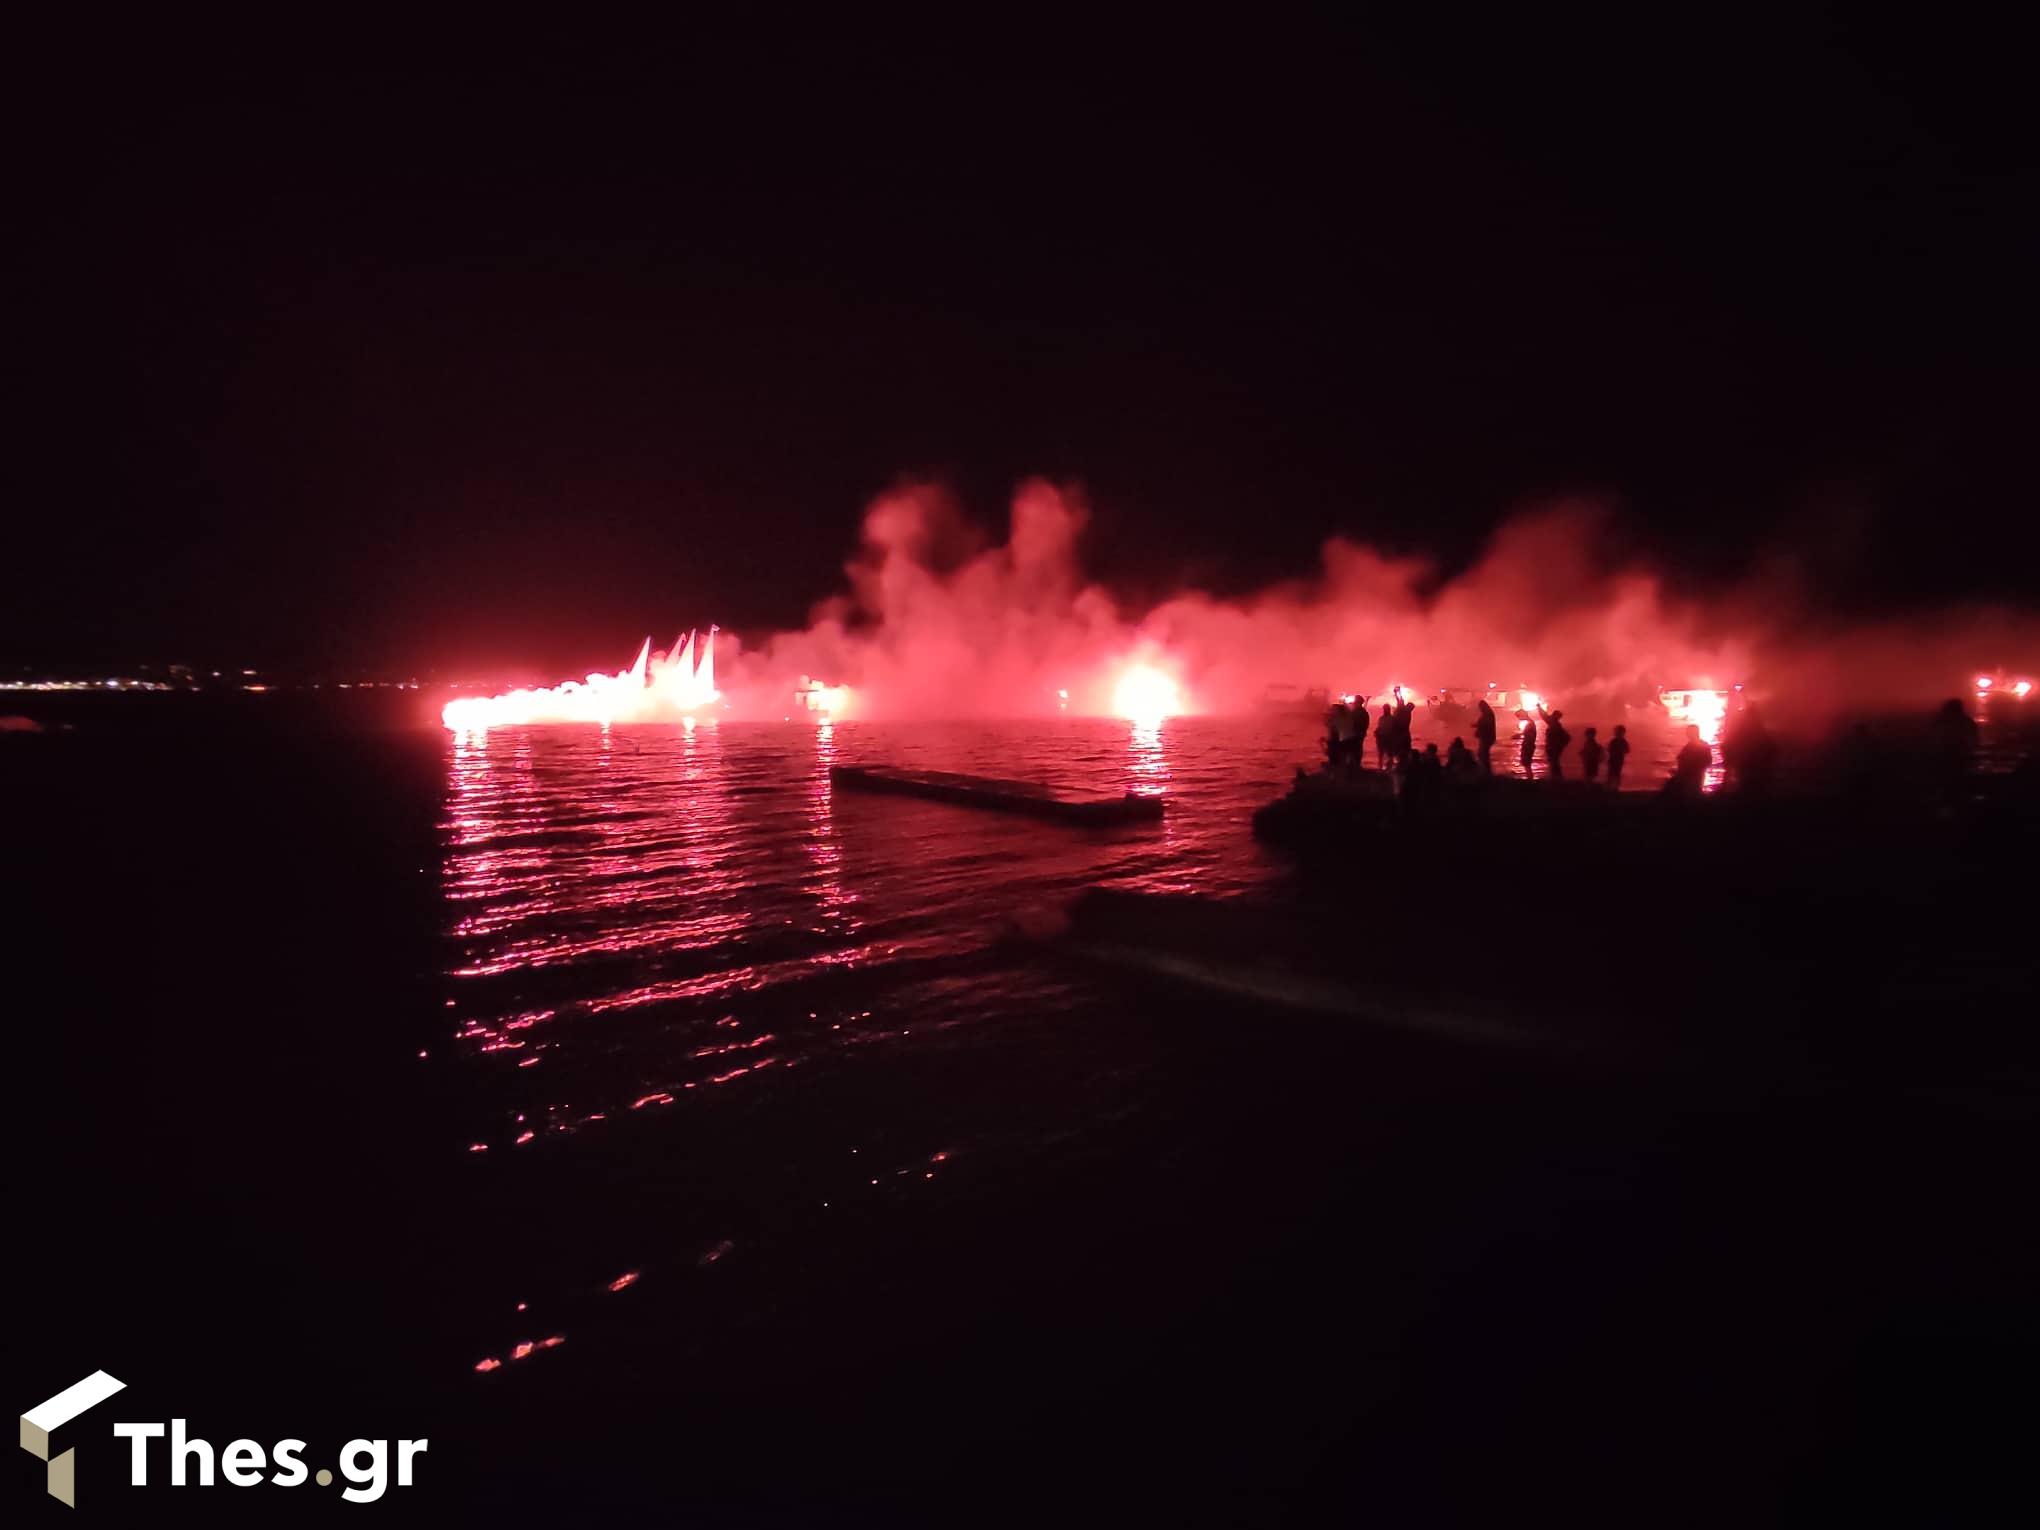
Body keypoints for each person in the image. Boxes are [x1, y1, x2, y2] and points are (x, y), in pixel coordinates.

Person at [1667, 724, 1711, 795]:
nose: (1687, 734)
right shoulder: (1691, 745)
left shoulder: (1699, 746)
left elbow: (1706, 762)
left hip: (1692, 777)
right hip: (1689, 775)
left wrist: (1688, 770)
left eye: (1688, 732)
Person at [1537, 705, 1571, 779]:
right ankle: (1557, 777)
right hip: (1554, 747)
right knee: (1554, 761)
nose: (1551, 716)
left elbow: (1545, 716)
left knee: (1554, 762)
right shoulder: (1555, 724)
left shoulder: (1555, 725)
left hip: (1553, 747)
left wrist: (1539, 707)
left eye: (1553, 715)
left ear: (1555, 716)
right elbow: (1545, 716)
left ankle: (1557, 777)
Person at [1473, 698, 1498, 772]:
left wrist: (1477, 726)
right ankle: (1486, 770)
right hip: (1487, 737)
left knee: (1483, 754)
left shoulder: (1487, 715)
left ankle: (1486, 771)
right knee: (1482, 754)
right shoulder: (1488, 714)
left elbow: (1485, 725)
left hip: (1486, 738)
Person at [1606, 723, 1630, 788]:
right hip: (1614, 760)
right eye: (1617, 732)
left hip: (1618, 760)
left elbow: (1627, 750)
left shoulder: (1621, 741)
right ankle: (1611, 787)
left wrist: (1619, 750)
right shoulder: (1614, 741)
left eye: (1619, 732)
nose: (1617, 733)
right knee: (1612, 774)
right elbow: (1609, 749)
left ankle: (1615, 787)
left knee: (1615, 774)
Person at [1517, 711, 1537, 775]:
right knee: (1526, 763)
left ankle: (1530, 780)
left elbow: (1529, 736)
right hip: (1528, 745)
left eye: (1518, 716)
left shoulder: (1530, 724)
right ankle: (1530, 779)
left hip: (1528, 746)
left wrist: (1518, 736)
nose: (1518, 718)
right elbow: (1528, 734)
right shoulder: (1530, 723)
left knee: (1526, 763)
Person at [1377, 703, 1395, 770]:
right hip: (1382, 738)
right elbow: (1379, 727)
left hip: (1388, 738)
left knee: (1389, 755)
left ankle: (1389, 768)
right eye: (1384, 709)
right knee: (1381, 754)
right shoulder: (1381, 718)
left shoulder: (1392, 719)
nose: (1384, 710)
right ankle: (1380, 768)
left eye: (1386, 709)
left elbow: (1394, 729)